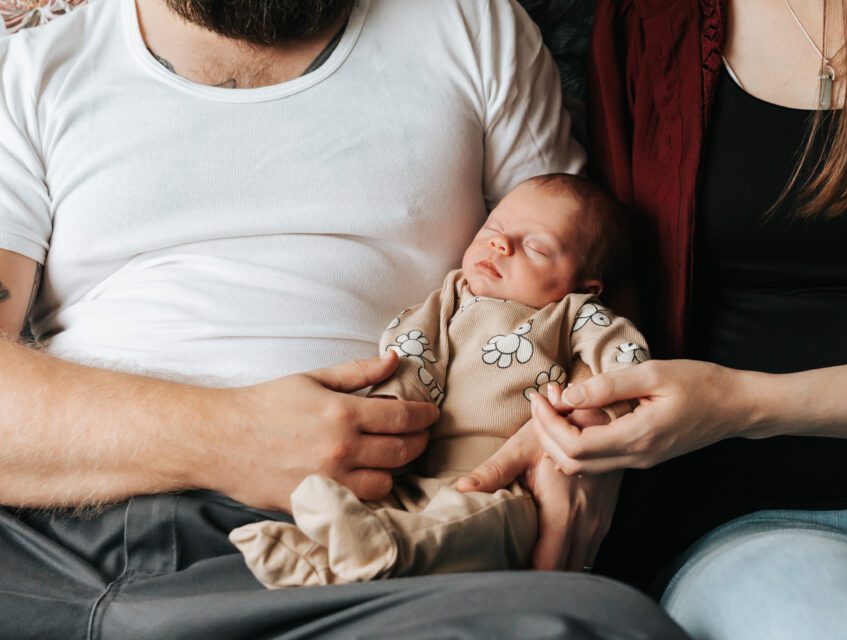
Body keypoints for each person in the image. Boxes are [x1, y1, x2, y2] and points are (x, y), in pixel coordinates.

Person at [0, 0, 720, 640]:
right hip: (40, 546)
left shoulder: (470, 26)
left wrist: (584, 433)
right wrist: (223, 434)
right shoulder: (37, 68)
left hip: (353, 556)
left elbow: (582, 269)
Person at [459, 0, 847, 640]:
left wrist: (742, 400)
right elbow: (611, 274)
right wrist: (577, 413)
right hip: (766, 532)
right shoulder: (647, 21)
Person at [230, 173, 650, 588]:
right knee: (379, 508)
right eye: (493, 229)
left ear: (585, 287)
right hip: (415, 471)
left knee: (483, 524)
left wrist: (593, 420)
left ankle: (386, 550)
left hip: (508, 482)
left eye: (536, 247)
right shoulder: (451, 297)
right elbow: (410, 356)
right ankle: (319, 560)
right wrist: (389, 417)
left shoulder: (572, 315)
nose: (500, 244)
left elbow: (626, 364)